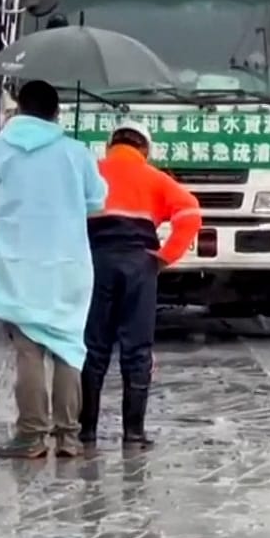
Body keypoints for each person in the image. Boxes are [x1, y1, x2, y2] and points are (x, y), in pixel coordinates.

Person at [0, 80, 107, 459]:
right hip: (67, 264)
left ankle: (31, 434)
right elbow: (97, 200)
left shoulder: (3, 147)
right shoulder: (76, 152)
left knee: (28, 350)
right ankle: (68, 437)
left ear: (19, 109)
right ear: (57, 112)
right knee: (68, 350)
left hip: (17, 264)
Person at [79, 119, 202, 450]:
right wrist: (164, 257)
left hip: (96, 263)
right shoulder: (157, 179)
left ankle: (85, 431)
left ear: (109, 146)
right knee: (136, 348)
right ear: (144, 150)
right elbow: (191, 214)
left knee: (93, 346)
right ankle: (133, 433)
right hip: (139, 265)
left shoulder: (90, 173)